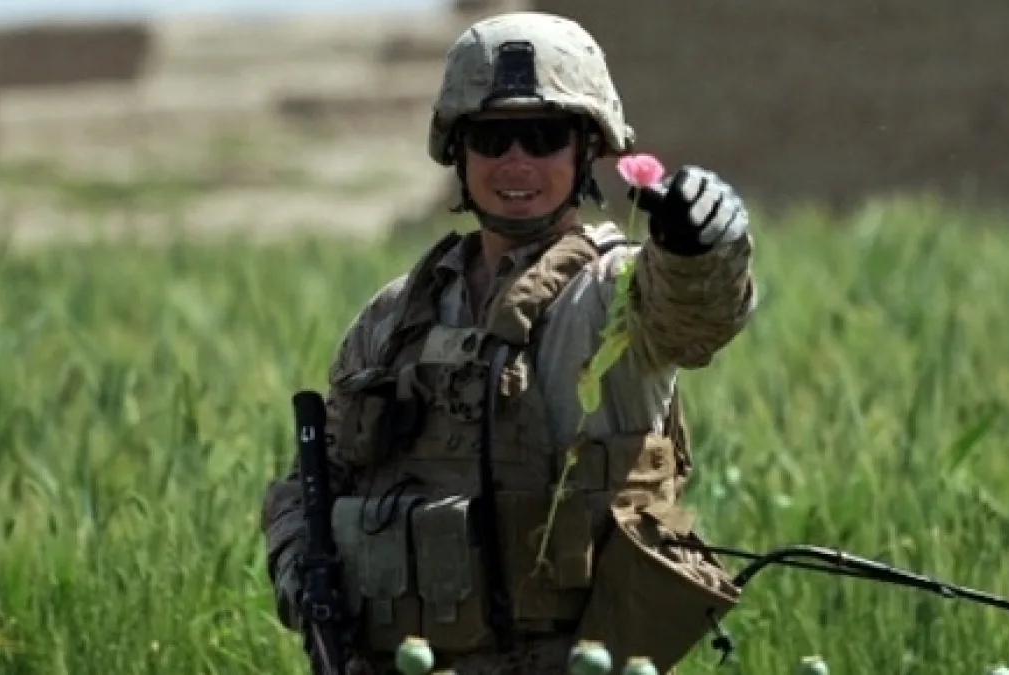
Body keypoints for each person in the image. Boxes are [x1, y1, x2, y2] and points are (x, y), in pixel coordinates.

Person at [260, 9, 758, 675]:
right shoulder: (395, 316)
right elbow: (317, 479)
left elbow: (692, 318)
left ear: (586, 149)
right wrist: (300, 569)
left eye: (543, 136)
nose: (516, 160)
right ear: (458, 152)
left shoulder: (613, 294)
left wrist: (700, 248)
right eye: (493, 138)